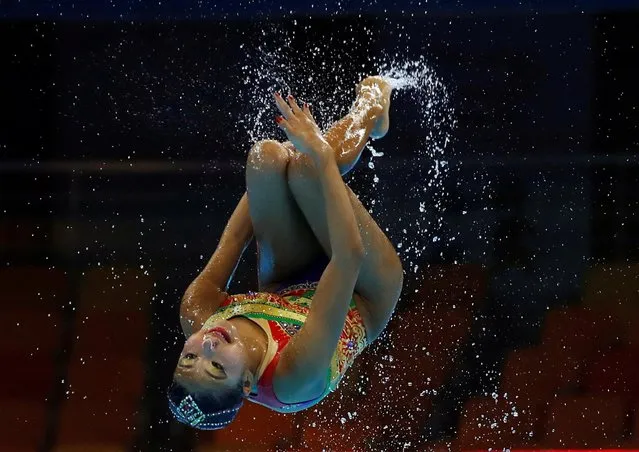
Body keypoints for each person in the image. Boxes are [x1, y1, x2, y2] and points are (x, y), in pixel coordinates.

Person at [168, 76, 404, 430]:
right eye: (217, 368)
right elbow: (349, 257)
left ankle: (333, 140)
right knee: (310, 168)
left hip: (289, 280)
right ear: (247, 384)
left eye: (188, 358)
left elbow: (234, 240)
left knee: (265, 157)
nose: (207, 348)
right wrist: (320, 154)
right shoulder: (292, 378)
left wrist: (276, 169)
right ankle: (371, 103)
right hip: (365, 291)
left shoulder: (196, 312)